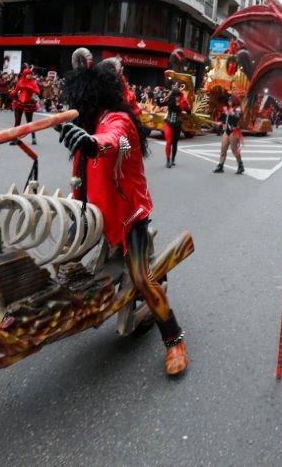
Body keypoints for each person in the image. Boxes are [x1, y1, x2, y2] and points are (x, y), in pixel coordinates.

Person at [57, 55, 189, 375]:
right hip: (94, 213)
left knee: (143, 277)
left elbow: (112, 142)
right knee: (65, 261)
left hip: (128, 214)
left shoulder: (119, 120)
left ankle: (174, 340)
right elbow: (80, 172)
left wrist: (92, 142)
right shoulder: (86, 123)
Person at [159, 81, 189, 168]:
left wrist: (187, 106)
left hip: (177, 125)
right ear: (174, 96)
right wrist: (161, 98)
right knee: (169, 142)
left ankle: (173, 160)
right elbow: (160, 103)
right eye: (176, 96)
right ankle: (168, 160)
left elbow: (189, 112)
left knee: (175, 144)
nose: (177, 98)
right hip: (169, 124)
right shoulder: (170, 102)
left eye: (179, 96)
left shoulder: (182, 102)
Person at [212, 96, 244, 174]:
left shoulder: (238, 109)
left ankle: (240, 165)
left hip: (233, 131)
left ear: (234, 101)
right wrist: (220, 122)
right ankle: (220, 166)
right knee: (223, 149)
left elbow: (237, 118)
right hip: (226, 131)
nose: (229, 101)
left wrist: (231, 112)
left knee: (234, 150)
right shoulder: (227, 109)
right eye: (229, 100)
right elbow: (225, 119)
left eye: (231, 100)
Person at [11, 66, 41, 145]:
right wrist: (12, 93)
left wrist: (31, 88)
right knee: (17, 121)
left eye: (31, 74)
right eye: (28, 74)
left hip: (29, 102)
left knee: (29, 122)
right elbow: (16, 90)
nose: (30, 75)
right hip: (19, 102)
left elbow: (38, 92)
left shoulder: (33, 82)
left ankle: (33, 137)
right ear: (24, 74)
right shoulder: (20, 82)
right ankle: (14, 139)